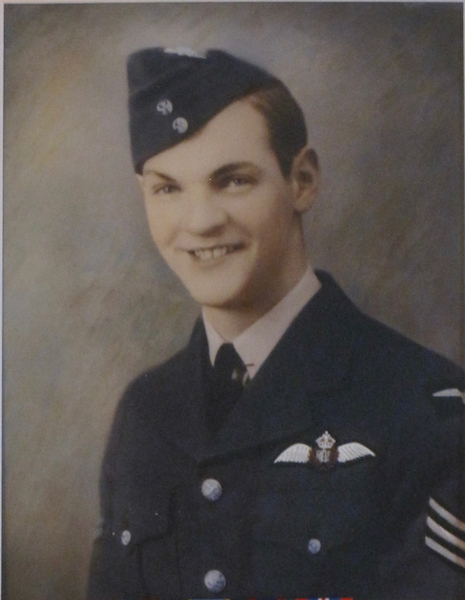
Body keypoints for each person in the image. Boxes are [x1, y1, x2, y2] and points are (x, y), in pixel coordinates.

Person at [87, 47, 465, 600]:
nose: (200, 221)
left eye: (233, 181)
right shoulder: (145, 413)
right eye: (168, 188)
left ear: (303, 181)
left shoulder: (423, 405)